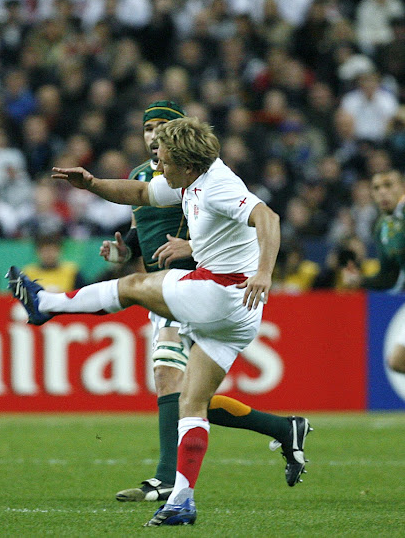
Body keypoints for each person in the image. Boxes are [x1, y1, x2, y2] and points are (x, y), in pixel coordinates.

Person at [8, 116, 298, 526]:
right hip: (239, 315)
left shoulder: (219, 185)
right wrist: (91, 183)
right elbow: (141, 191)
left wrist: (265, 272)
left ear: (187, 162)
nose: (157, 165)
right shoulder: (189, 178)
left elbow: (269, 219)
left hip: (221, 292)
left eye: (163, 158)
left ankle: (47, 305)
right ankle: (182, 500)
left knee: (134, 286)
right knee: (192, 403)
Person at [99, 102, 311, 504]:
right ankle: (284, 430)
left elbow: (232, 224)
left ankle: (165, 478)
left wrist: (191, 245)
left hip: (200, 285)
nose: (152, 136)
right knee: (188, 396)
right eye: (148, 129)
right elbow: (138, 233)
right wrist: (121, 252)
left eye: (161, 129)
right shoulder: (140, 179)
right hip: (163, 286)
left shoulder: (194, 172)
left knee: (168, 377)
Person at [342, 169, 405, 373]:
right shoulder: (383, 228)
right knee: (398, 361)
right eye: (377, 188)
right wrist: (359, 281)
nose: (383, 192)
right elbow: (390, 276)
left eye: (389, 185)